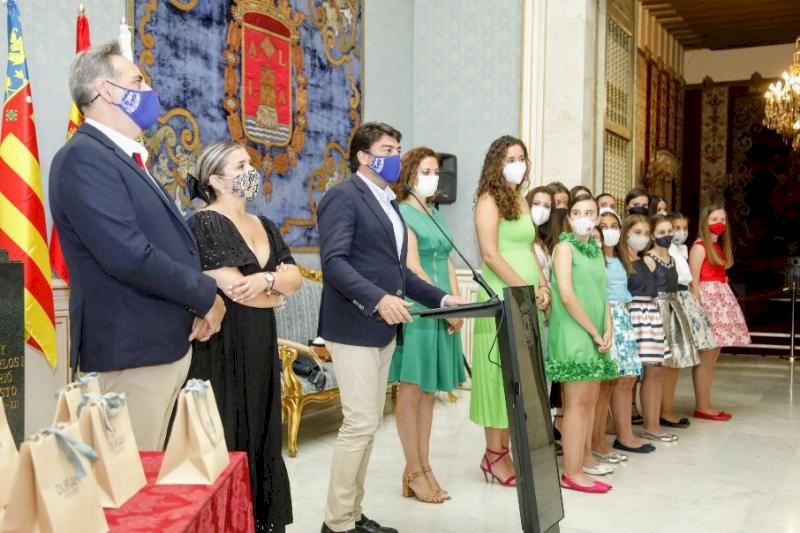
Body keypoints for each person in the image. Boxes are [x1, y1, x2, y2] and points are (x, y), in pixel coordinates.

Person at [48, 41, 225, 451]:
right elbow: (128, 255)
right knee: (128, 482)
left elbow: (164, 245)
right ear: (107, 91)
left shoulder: (125, 158)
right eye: (138, 81)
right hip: (132, 354)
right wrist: (206, 294)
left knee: (147, 476)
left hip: (159, 346)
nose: (149, 90)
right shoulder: (84, 158)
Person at [316, 122, 467, 533]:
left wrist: (442, 299)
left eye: (398, 148)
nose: (395, 156)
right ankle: (336, 523)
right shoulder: (344, 197)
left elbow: (401, 275)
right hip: (353, 325)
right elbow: (334, 263)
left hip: (383, 329)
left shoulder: (389, 204)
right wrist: (378, 299)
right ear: (363, 157)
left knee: (367, 427)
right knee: (360, 424)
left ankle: (353, 514)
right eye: (387, 149)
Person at [186, 142, 301, 532]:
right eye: (240, 165)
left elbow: (294, 278)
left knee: (263, 428)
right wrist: (275, 290)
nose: (252, 169)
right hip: (223, 344)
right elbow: (236, 290)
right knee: (229, 430)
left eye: (250, 162)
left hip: (260, 343)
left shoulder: (264, 224)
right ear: (216, 181)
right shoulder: (205, 222)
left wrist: (267, 282)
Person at [387, 147, 465, 504]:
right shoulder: (402, 213)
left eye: (436, 172)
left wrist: (459, 302)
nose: (433, 178)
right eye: (426, 171)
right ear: (409, 176)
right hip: (419, 308)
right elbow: (413, 267)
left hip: (444, 305)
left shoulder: (435, 213)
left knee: (429, 392)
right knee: (412, 390)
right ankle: (414, 470)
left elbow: (446, 260)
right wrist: (442, 303)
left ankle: (423, 466)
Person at [472, 135, 550, 488]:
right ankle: (494, 454)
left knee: (519, 377)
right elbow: (490, 254)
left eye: (521, 158)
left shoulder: (519, 198)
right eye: (510, 159)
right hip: (503, 295)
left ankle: (506, 450)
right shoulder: (489, 199)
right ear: (496, 164)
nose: (517, 164)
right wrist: (523, 290)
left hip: (525, 295)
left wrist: (543, 286)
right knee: (498, 374)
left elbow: (530, 246)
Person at [546, 194, 617, 493]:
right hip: (574, 332)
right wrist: (593, 331)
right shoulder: (564, 248)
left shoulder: (595, 251)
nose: (582, 217)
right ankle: (572, 472)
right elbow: (566, 295)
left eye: (589, 212)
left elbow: (603, 294)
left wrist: (608, 328)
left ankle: (582, 461)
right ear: (569, 218)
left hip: (596, 333)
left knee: (589, 402)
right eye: (576, 212)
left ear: (597, 218)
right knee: (575, 405)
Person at [689, 203, 751, 421]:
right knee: (705, 357)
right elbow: (693, 282)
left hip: (720, 300)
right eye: (714, 219)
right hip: (708, 304)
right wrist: (700, 311)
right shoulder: (699, 247)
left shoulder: (718, 247)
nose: (719, 223)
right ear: (705, 222)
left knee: (712, 357)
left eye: (723, 219)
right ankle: (702, 405)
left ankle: (706, 402)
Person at [597, 209, 648, 456]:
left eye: (614, 226)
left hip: (623, 319)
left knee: (628, 377)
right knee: (611, 379)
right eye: (604, 226)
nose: (610, 231)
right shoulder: (596, 258)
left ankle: (625, 433)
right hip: (607, 318)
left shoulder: (620, 259)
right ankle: (615, 436)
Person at [623, 215, 677, 443]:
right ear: (626, 233)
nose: (643, 238)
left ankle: (652, 425)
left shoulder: (644, 259)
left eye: (646, 233)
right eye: (637, 233)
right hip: (634, 314)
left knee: (656, 371)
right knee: (628, 377)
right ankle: (623, 428)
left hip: (651, 314)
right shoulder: (621, 260)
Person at [663, 212, 717, 428]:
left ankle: (667, 408)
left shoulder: (680, 249)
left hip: (685, 298)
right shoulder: (666, 250)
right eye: (676, 228)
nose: (681, 232)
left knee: (678, 360)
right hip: (676, 298)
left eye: (684, 228)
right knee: (671, 360)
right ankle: (663, 410)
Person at [646, 215, 699, 435]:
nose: (667, 236)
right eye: (662, 232)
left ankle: (665, 410)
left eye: (670, 231)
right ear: (652, 235)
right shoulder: (648, 259)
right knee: (657, 367)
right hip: (657, 310)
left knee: (672, 363)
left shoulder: (672, 258)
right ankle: (653, 418)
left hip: (672, 307)